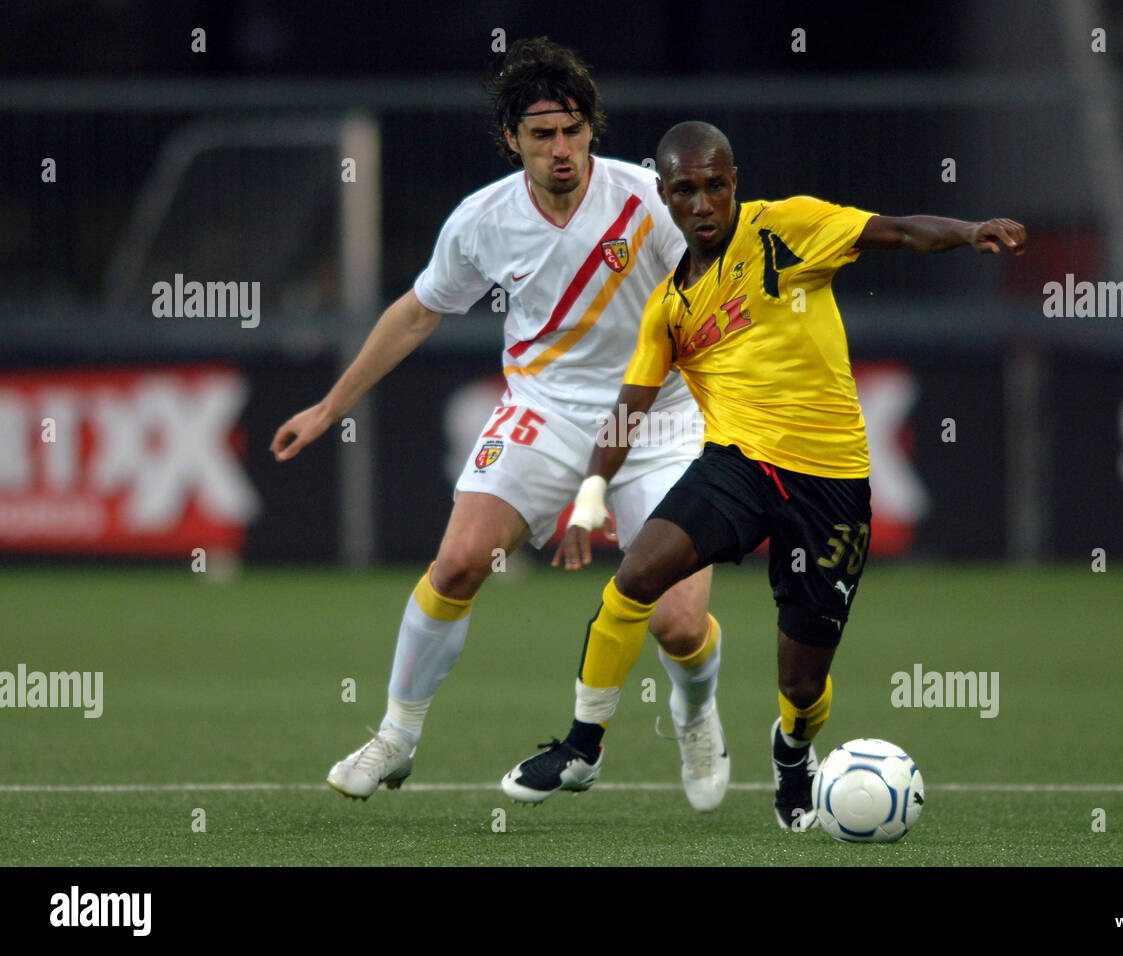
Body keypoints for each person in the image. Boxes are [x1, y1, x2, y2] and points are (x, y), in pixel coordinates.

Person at [502, 120, 1026, 828]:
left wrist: (967, 231)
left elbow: (898, 232)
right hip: (737, 468)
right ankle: (583, 746)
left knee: (801, 680)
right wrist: (592, 494)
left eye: (715, 186)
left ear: (734, 183)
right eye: (685, 190)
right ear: (665, 196)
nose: (703, 204)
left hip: (830, 486)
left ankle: (792, 754)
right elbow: (630, 407)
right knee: (636, 578)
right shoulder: (670, 307)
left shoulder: (787, 229)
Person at [270, 41, 730, 812]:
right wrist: (330, 405)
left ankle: (696, 715)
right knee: (455, 564)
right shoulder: (482, 220)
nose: (562, 150)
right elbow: (417, 313)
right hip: (544, 414)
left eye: (574, 132)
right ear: (511, 138)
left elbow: (723, 287)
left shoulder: (649, 199)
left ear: (593, 131)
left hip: (662, 420)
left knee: (680, 623)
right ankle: (395, 737)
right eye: (543, 135)